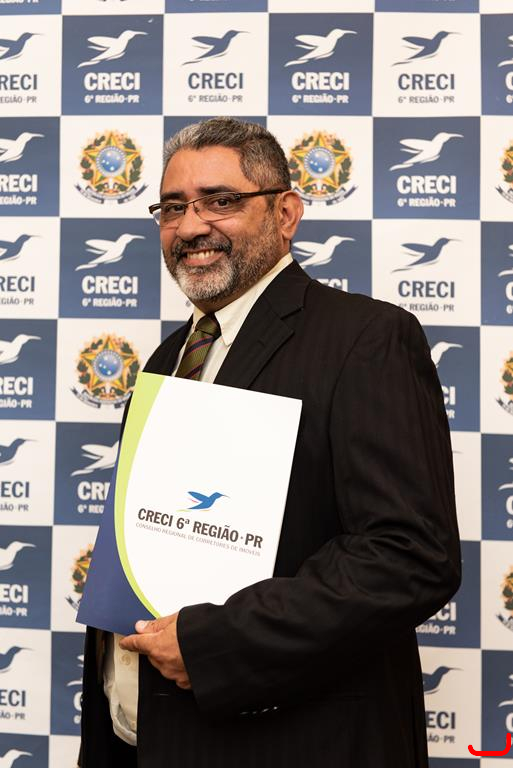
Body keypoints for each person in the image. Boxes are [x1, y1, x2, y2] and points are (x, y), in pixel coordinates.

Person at [79, 117, 460, 768]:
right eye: (172, 207)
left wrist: (213, 642)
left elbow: (408, 555)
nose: (190, 226)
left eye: (220, 201)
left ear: (285, 213)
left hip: (292, 743)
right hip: (151, 741)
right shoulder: (169, 359)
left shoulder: (365, 339)